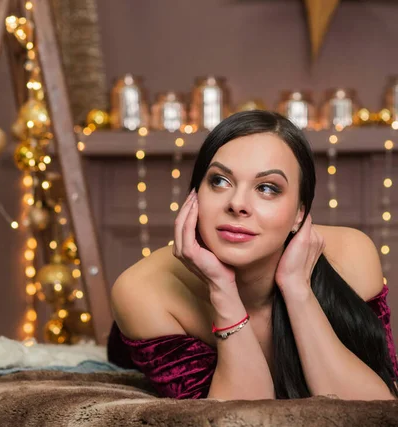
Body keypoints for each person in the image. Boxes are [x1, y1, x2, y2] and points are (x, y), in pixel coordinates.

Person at [107, 110, 398, 401]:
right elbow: (237, 418)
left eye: (267, 188)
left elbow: (377, 407)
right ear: (194, 195)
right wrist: (222, 289)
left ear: (300, 213)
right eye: (219, 181)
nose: (237, 204)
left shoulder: (351, 255)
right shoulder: (141, 290)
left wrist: (297, 288)